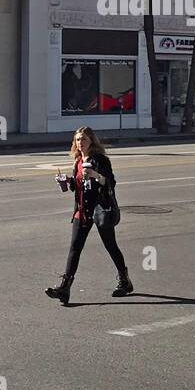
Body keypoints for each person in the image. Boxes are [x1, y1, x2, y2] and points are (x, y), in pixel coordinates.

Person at [45, 127, 132, 306]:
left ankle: (125, 281)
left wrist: (95, 175)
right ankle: (64, 288)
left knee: (111, 246)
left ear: (91, 140)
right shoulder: (78, 161)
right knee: (74, 248)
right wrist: (66, 181)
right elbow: (77, 187)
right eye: (77, 140)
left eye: (84, 139)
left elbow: (110, 182)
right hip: (82, 210)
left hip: (100, 209)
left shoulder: (100, 160)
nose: (80, 143)